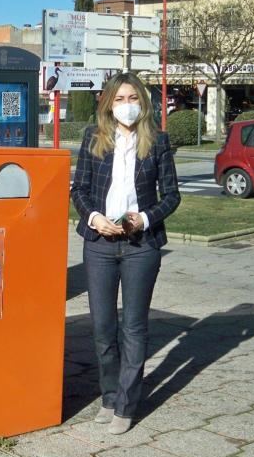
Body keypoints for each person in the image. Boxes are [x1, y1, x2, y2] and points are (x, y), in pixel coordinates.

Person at [70, 73, 181, 435]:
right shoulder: (93, 137)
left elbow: (172, 196)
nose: (126, 105)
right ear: (108, 104)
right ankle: (109, 396)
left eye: (133, 98)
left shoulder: (158, 141)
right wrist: (94, 217)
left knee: (133, 327)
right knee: (103, 328)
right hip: (99, 244)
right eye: (119, 99)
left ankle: (127, 405)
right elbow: (80, 189)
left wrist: (144, 218)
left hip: (140, 247)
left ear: (143, 102)